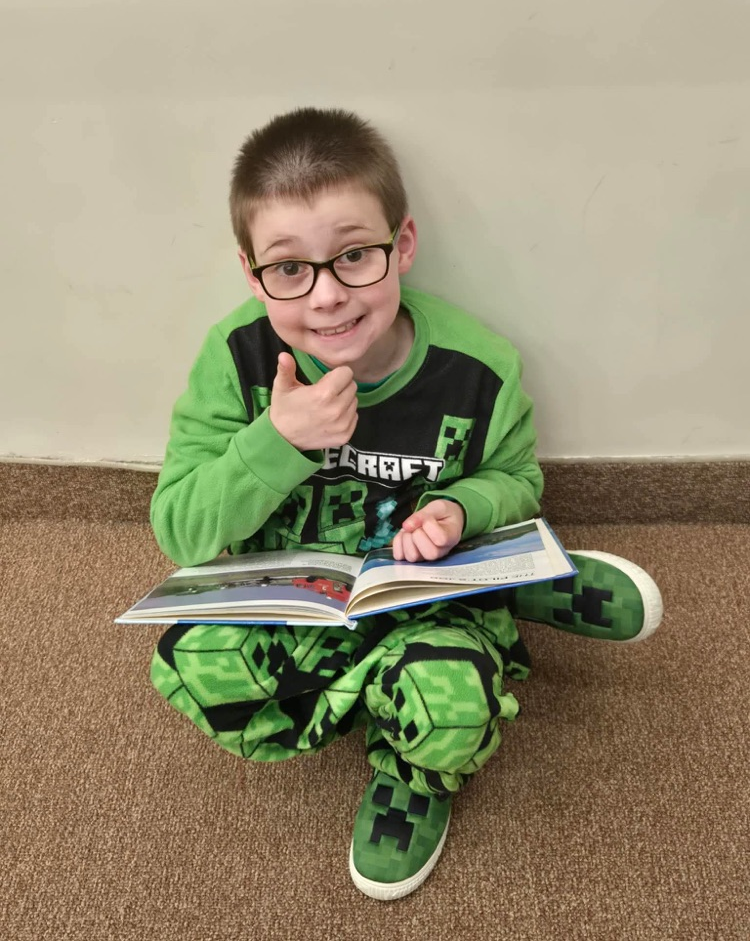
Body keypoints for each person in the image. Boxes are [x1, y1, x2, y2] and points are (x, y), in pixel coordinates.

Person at [149, 107, 662, 901]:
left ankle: (459, 671)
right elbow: (180, 530)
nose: (326, 297)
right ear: (252, 275)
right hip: (303, 594)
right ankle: (521, 585)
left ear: (404, 246)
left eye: (354, 256)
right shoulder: (237, 358)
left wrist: (460, 509)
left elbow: (516, 479)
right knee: (190, 664)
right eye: (290, 269)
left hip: (428, 587)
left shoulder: (478, 367)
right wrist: (278, 441)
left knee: (447, 706)